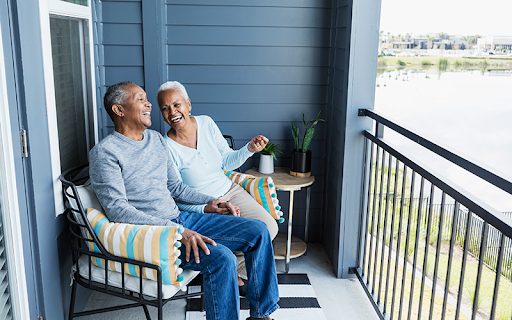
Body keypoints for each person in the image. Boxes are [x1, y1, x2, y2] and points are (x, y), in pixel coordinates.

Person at [89, 81, 279, 320]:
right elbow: (118, 210)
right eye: (140, 99)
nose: (149, 104)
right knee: (222, 259)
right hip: (157, 235)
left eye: (147, 99)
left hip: (181, 220)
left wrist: (212, 201)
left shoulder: (155, 140)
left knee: (259, 230)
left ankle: (261, 315)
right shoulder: (105, 153)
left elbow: (176, 187)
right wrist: (177, 231)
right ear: (119, 110)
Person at [157, 81, 279, 283]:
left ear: (188, 104)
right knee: (241, 238)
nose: (172, 112)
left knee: (269, 228)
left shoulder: (206, 123)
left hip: (230, 190)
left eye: (177, 105)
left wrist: (249, 149)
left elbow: (227, 162)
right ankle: (233, 274)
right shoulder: (165, 146)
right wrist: (207, 208)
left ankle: (236, 272)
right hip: (202, 207)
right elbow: (177, 195)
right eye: (165, 108)